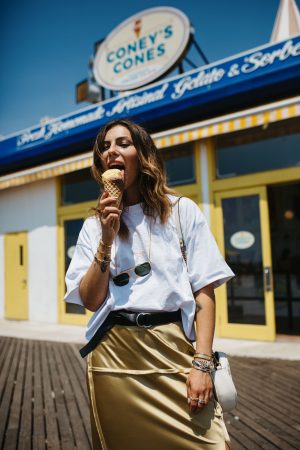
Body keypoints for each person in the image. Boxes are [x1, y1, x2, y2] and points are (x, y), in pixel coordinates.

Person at [64, 119, 234, 450]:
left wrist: (202, 363)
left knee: (211, 443)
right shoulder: (92, 226)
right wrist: (106, 238)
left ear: (143, 155)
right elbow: (90, 300)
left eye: (123, 143)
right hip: (114, 357)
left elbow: (204, 293)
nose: (111, 150)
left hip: (173, 351)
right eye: (105, 146)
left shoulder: (181, 212)